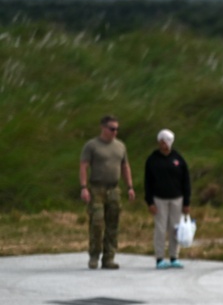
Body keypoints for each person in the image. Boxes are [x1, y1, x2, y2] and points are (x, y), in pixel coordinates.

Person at [79, 114, 135, 269]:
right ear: (103, 128)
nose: (115, 132)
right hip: (97, 188)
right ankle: (94, 255)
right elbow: (84, 166)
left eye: (117, 129)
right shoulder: (92, 145)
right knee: (97, 222)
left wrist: (129, 186)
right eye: (112, 128)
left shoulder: (120, 146)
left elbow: (125, 166)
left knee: (113, 223)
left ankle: (109, 257)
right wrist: (84, 188)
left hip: (114, 189)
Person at [143, 129, 191, 269]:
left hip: (177, 198)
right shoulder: (152, 159)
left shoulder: (178, 159)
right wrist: (150, 201)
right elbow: (148, 182)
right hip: (159, 199)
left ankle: (174, 256)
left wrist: (186, 202)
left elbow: (185, 181)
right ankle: (159, 258)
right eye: (162, 141)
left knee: (175, 228)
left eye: (167, 141)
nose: (164, 144)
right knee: (160, 228)